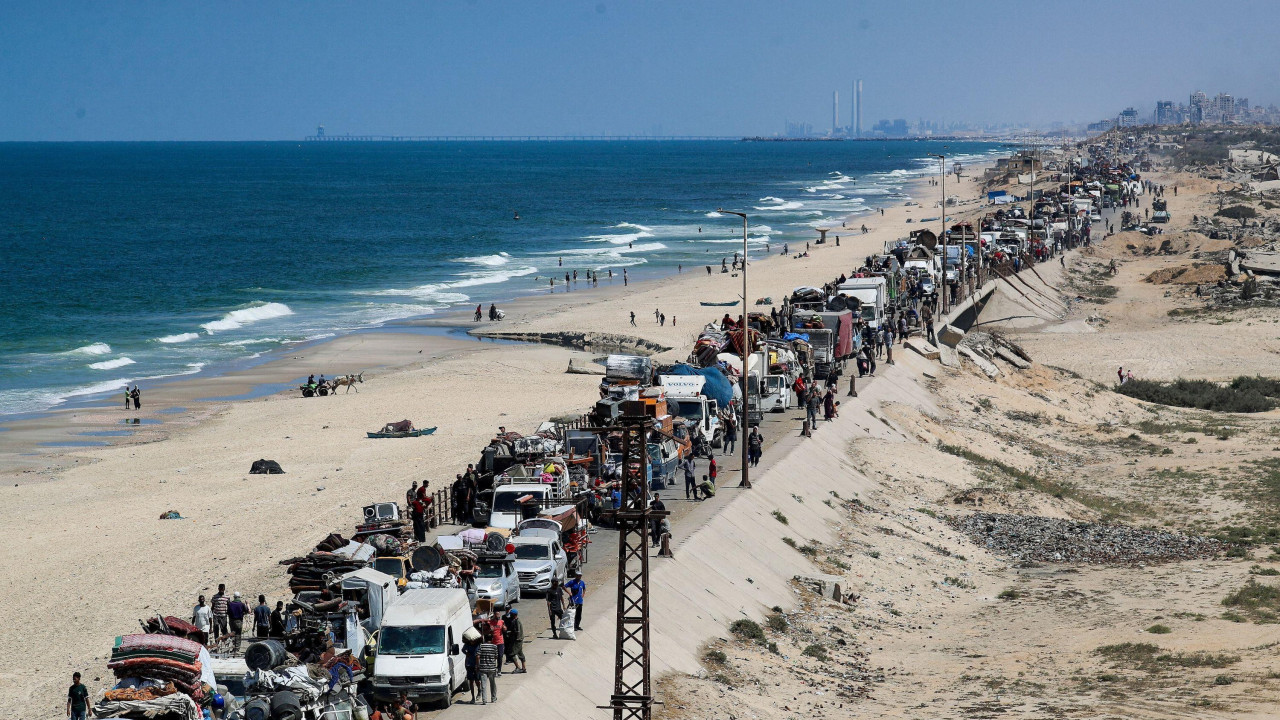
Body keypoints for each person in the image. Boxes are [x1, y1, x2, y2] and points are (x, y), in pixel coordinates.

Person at [477, 628, 501, 703]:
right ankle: (493, 698)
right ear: (491, 639)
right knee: (492, 684)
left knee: (483, 685)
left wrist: (478, 665)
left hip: (483, 668)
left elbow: (478, 656)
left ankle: (484, 700)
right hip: (492, 668)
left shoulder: (481, 646)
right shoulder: (494, 647)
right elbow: (496, 656)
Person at [503, 608, 526, 672]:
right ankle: (524, 668)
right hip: (518, 640)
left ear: (514, 615)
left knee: (511, 654)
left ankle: (518, 667)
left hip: (517, 641)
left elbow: (517, 631)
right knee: (520, 653)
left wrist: (508, 632)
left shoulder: (516, 621)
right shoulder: (515, 620)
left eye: (511, 614)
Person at [463, 636, 481, 703]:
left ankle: (479, 690)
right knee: (471, 681)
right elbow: (463, 650)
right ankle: (473, 697)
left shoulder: (478, 645)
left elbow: (479, 654)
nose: (472, 642)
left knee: (477, 680)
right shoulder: (467, 645)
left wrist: (478, 665)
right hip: (469, 664)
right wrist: (466, 653)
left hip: (476, 665)